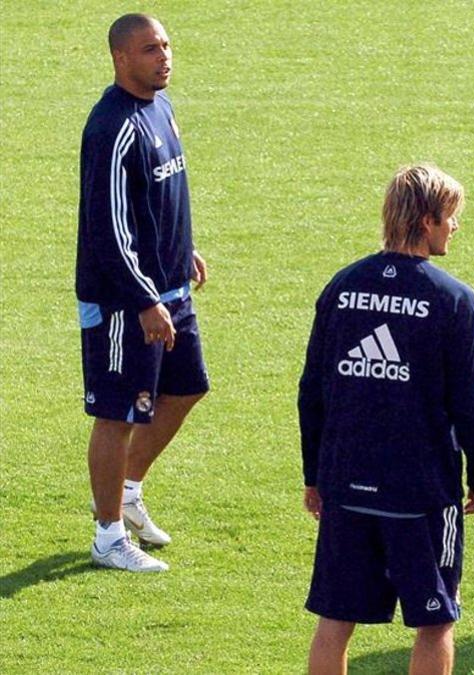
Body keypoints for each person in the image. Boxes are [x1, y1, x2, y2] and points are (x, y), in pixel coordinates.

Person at [298, 165, 474, 675]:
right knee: (435, 620)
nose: (455, 228)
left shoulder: (342, 287)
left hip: (345, 483)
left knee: (335, 619)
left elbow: (311, 392)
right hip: (420, 493)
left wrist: (314, 477)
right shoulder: (454, 300)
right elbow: (473, 404)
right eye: (451, 217)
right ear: (428, 219)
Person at [77, 13, 209, 573]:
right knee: (117, 414)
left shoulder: (162, 107)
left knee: (186, 391)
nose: (164, 57)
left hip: (171, 285)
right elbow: (108, 226)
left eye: (167, 46)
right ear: (121, 58)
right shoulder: (111, 127)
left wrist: (185, 251)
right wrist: (144, 300)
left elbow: (165, 194)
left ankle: (126, 492)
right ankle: (107, 536)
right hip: (123, 304)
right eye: (150, 49)